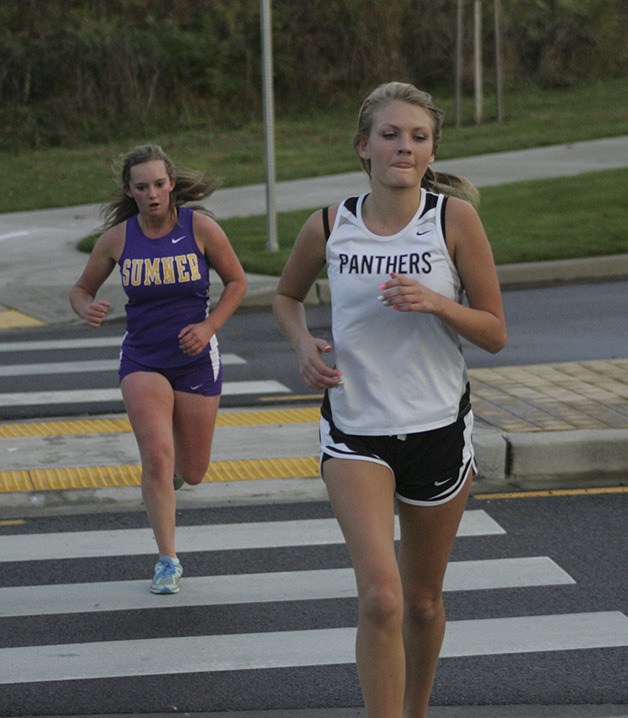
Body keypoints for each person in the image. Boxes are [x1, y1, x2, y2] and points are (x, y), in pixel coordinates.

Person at [273, 82, 506, 717]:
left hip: (437, 429)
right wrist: (303, 346)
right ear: (363, 147)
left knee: (423, 599)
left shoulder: (453, 220)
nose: (404, 146)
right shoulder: (328, 224)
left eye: (418, 137)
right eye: (391, 135)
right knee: (381, 597)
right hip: (354, 429)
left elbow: (493, 333)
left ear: (431, 152)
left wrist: (436, 301)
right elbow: (286, 296)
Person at [70, 144, 247, 594]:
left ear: (172, 185)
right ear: (130, 192)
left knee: (192, 470)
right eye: (142, 187)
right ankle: (167, 558)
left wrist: (209, 326)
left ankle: (166, 483)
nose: (152, 194)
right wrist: (86, 308)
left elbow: (237, 282)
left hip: (194, 360)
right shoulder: (118, 238)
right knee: (156, 456)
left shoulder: (200, 228)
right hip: (143, 359)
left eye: (159, 184)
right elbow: (81, 289)